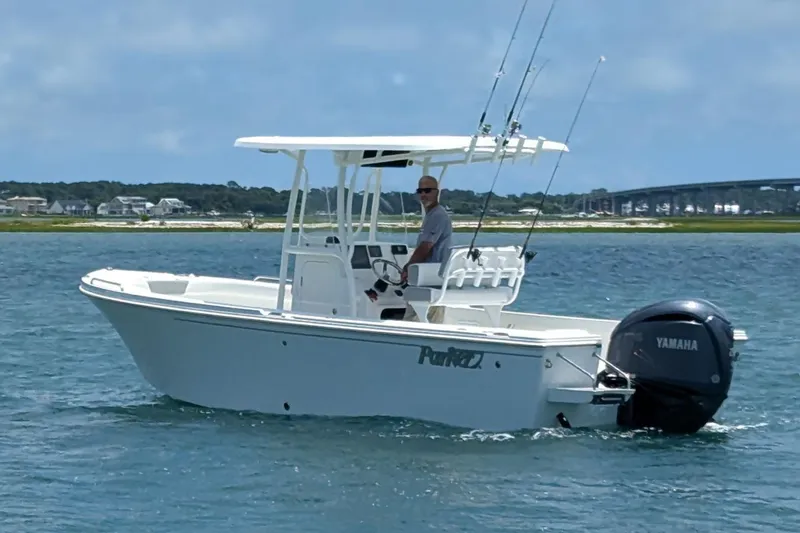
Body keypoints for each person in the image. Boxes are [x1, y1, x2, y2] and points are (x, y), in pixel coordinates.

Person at [401, 175, 452, 323]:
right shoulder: (432, 215)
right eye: (420, 191)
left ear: (437, 192)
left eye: (428, 190)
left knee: (411, 321)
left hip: (431, 280)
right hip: (435, 278)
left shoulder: (437, 215)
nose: (423, 194)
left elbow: (425, 247)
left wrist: (408, 268)